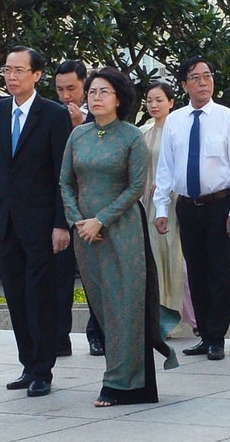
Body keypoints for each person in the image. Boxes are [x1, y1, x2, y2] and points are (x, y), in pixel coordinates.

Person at [61, 67, 175, 406]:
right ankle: (122, 375)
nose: (95, 98)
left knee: (125, 304)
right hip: (85, 234)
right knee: (102, 305)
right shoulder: (78, 136)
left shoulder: (130, 136)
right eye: (92, 92)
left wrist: (102, 220)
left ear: (119, 99)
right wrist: (78, 220)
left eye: (103, 93)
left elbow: (135, 188)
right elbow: (66, 182)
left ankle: (120, 383)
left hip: (122, 230)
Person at [0, 47, 74, 395]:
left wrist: (61, 223)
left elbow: (63, 174)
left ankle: (42, 370)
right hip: (8, 224)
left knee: (40, 298)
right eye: (7, 70)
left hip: (43, 224)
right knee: (16, 297)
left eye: (19, 70)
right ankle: (26, 363)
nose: (12, 76)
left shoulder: (53, 115)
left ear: (37, 75)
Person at [153, 56, 230, 360]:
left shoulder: (228, 118)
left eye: (207, 75)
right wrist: (162, 208)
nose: (203, 82)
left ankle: (217, 336)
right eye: (195, 77)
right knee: (196, 272)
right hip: (187, 207)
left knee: (219, 272)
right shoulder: (175, 121)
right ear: (184, 85)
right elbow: (166, 167)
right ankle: (203, 333)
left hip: (219, 205)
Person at [53, 59, 102, 357]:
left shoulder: (97, 115)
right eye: (60, 89)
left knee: (95, 277)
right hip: (63, 208)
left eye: (72, 88)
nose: (66, 96)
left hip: (92, 210)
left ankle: (97, 333)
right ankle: (60, 337)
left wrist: (77, 127)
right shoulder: (49, 115)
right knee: (60, 281)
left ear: (84, 85)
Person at [138, 80, 188, 336]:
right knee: (154, 259)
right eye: (150, 100)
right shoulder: (143, 132)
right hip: (149, 204)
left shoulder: (178, 130)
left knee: (173, 258)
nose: (154, 105)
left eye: (159, 100)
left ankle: (176, 317)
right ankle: (158, 317)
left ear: (171, 102)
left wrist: (166, 185)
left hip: (173, 202)